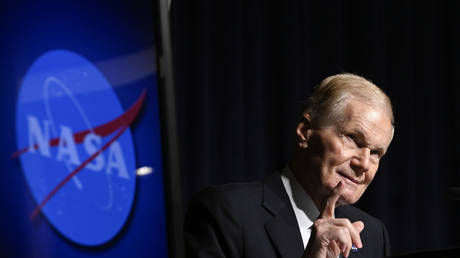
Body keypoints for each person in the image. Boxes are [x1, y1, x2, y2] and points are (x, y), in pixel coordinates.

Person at [185, 73, 394, 258]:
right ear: (305, 132)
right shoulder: (228, 213)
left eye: (376, 153)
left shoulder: (372, 235)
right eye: (352, 139)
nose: (364, 164)